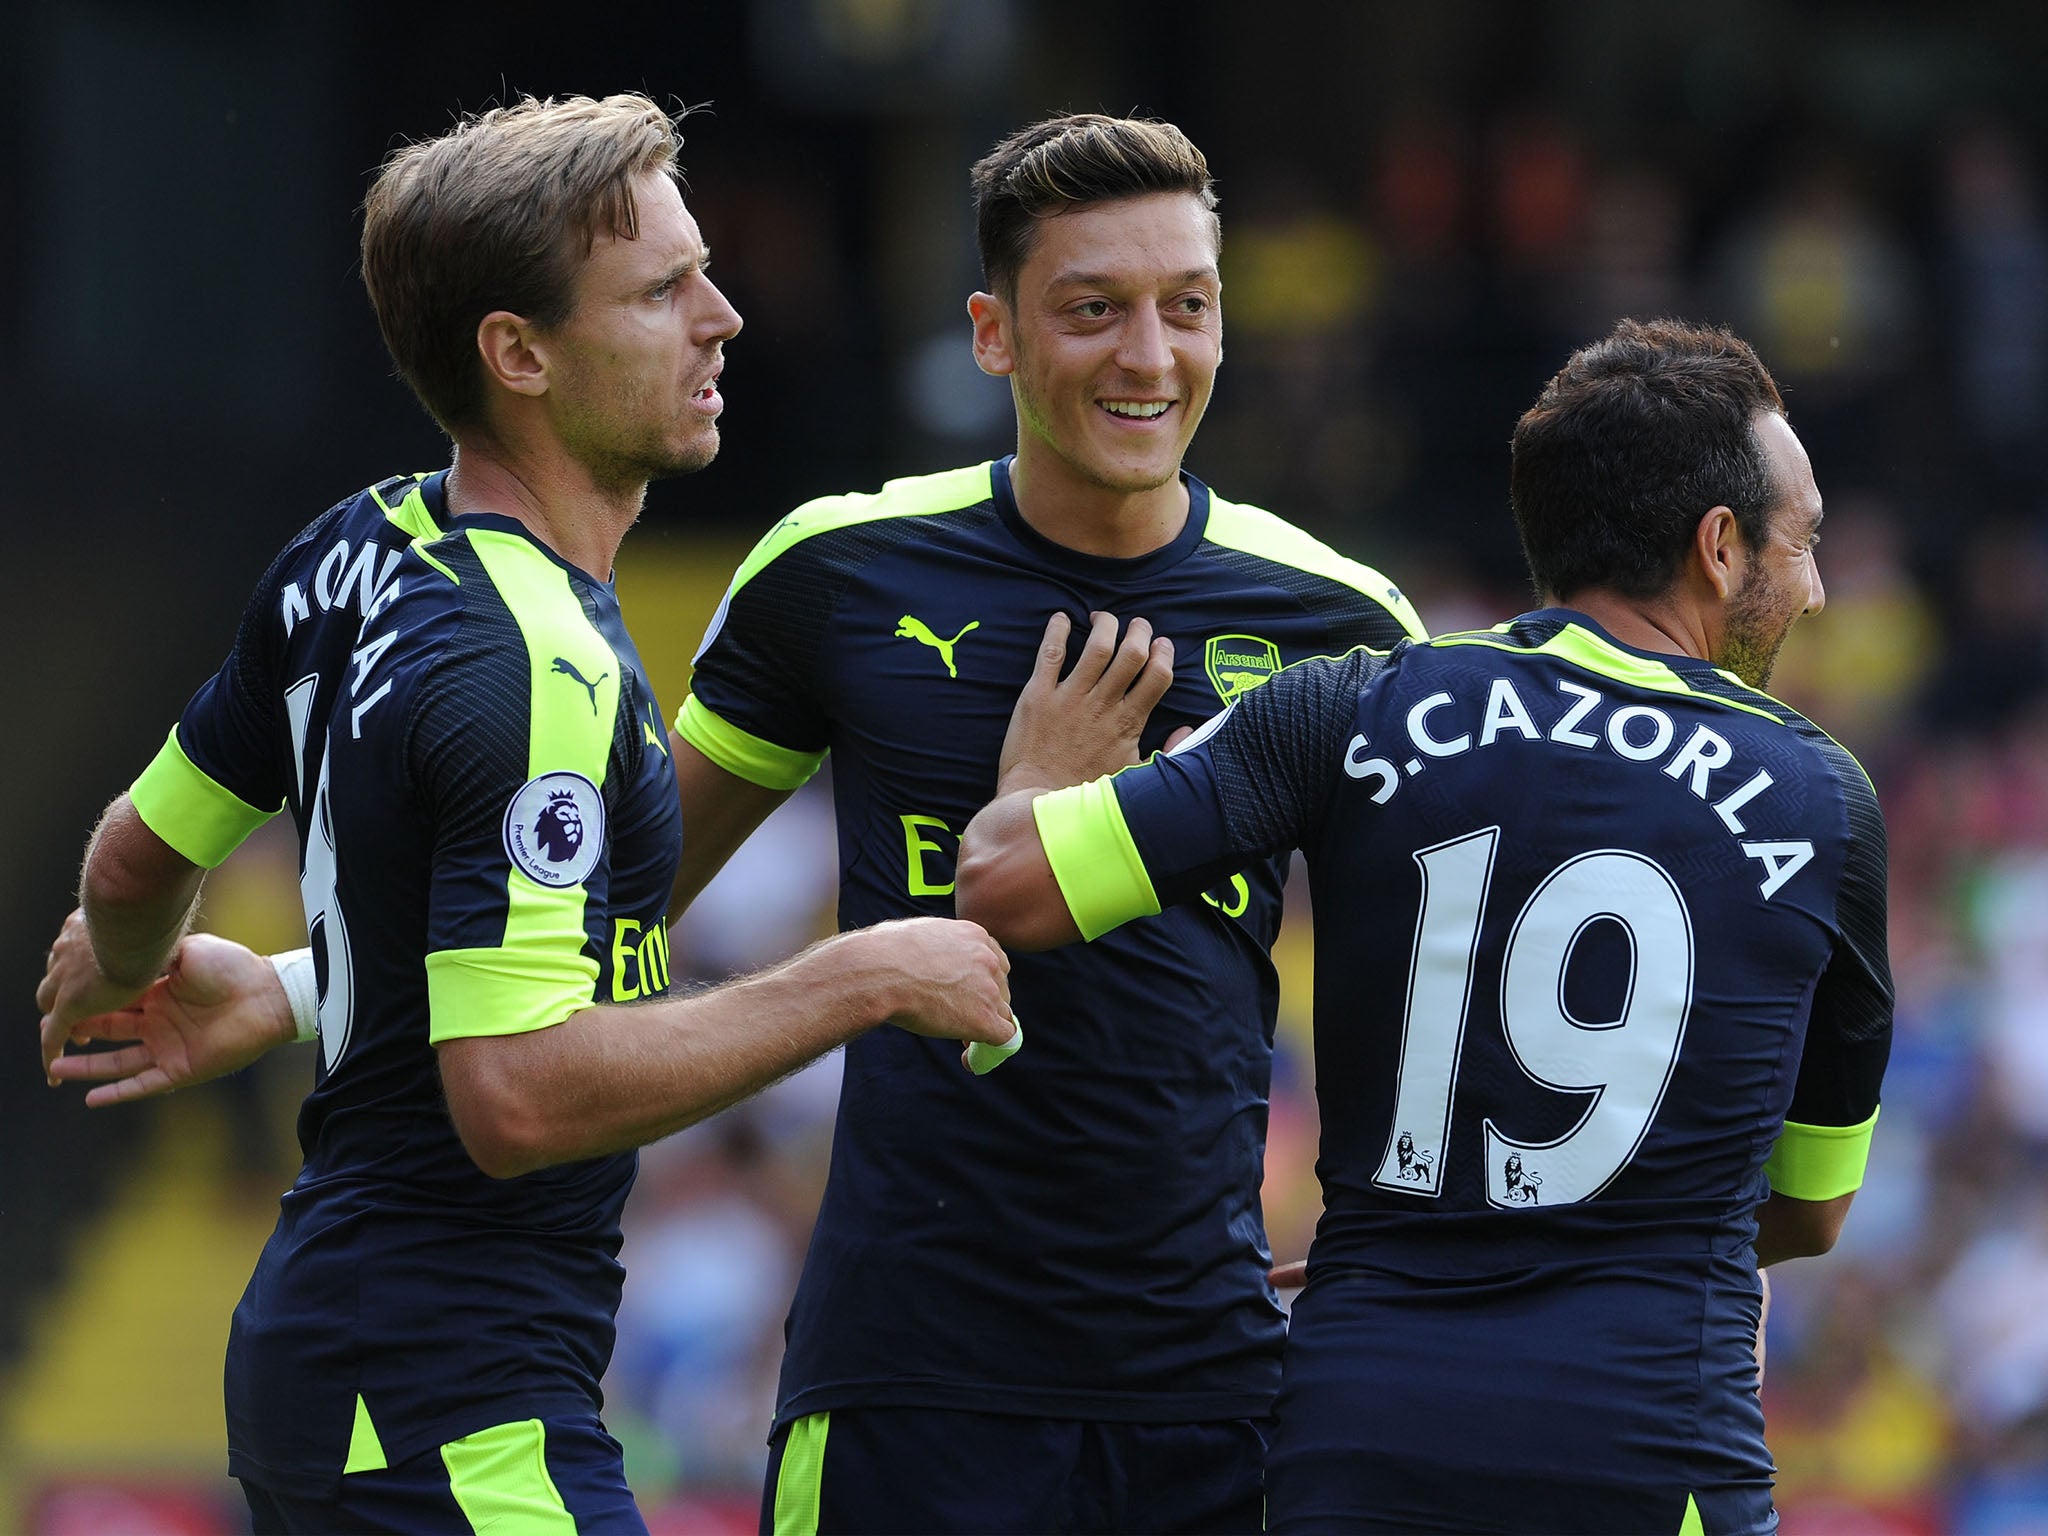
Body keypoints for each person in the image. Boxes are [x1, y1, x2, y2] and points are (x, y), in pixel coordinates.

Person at [36, 93, 1017, 1535]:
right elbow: (517, 1096)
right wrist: (864, 973)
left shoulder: (351, 549)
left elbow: (132, 857)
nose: (725, 316)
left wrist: (244, 986)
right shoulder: (537, 663)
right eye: (666, 290)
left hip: (357, 1357)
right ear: (521, 355)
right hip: (450, 1394)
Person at [957, 317, 1893, 1535]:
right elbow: (1809, 1209)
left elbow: (1006, 889)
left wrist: (1035, 774)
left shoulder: (1349, 705)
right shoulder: (1821, 799)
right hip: (1648, 1449)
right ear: (1717, 549)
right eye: (1801, 541)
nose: (1813, 586)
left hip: (1364, 1436)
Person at [665, 113, 1423, 1534]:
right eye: (1092, 311)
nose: (1149, 356)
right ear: (993, 335)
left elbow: (1434, 989)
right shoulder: (838, 572)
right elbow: (612, 906)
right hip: (904, 1387)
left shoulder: (1342, 625)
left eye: (1185, 307)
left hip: (1217, 1396)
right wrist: (300, 988)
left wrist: (1400, 1244)